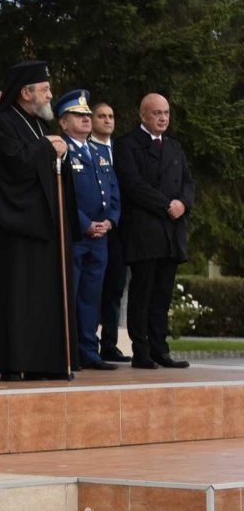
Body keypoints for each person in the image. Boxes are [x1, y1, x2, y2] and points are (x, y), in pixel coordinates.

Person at [0, 61, 78, 380]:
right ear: (26, 93)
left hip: (43, 228)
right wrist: (47, 148)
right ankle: (14, 361)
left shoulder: (38, 125)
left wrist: (60, 153)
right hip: (15, 228)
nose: (50, 95)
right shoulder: (2, 125)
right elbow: (12, 169)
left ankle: (44, 361)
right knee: (16, 300)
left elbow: (49, 167)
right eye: (45, 90)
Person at [116, 93, 195, 369]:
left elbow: (188, 182)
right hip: (145, 231)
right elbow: (133, 185)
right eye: (157, 113)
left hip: (171, 232)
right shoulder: (127, 145)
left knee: (162, 295)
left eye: (166, 113)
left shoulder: (174, 147)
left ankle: (161, 349)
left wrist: (183, 203)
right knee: (143, 293)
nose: (163, 118)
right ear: (143, 115)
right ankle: (142, 351)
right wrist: (166, 205)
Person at [56, 90, 121, 371]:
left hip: (100, 238)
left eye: (86, 115)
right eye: (77, 115)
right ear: (63, 122)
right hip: (76, 235)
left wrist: (110, 221)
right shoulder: (61, 151)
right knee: (71, 295)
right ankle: (69, 352)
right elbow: (62, 195)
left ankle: (88, 350)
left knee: (91, 297)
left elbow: (114, 192)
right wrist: (85, 224)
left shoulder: (99, 152)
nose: (85, 119)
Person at [92, 101, 130, 362]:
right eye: (101, 116)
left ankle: (109, 344)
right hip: (92, 229)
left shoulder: (121, 150)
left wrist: (113, 220)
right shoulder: (86, 148)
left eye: (111, 116)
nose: (107, 120)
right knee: (92, 289)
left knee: (115, 287)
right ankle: (86, 343)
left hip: (117, 229)